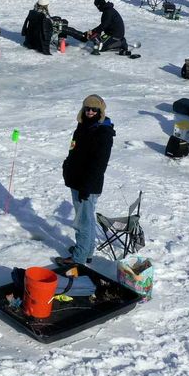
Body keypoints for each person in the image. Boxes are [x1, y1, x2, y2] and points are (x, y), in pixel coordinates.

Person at [54, 95, 114, 266]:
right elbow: (73, 149)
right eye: (87, 108)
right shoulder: (83, 126)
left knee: (83, 222)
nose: (90, 112)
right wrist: (67, 165)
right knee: (87, 219)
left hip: (87, 185)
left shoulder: (103, 132)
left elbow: (99, 164)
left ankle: (78, 258)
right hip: (77, 180)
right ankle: (86, 252)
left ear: (100, 111)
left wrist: (86, 187)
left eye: (94, 109)